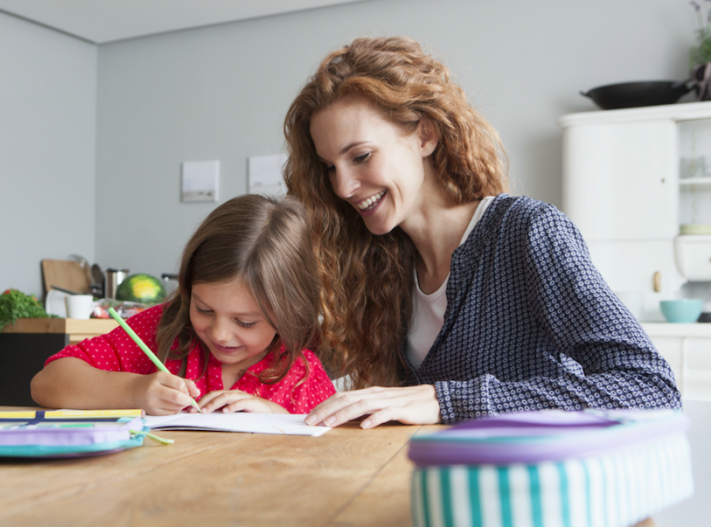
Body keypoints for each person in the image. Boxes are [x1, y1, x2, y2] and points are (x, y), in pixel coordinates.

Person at [283, 36, 681, 429]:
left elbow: (648, 385)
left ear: (425, 135)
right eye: (330, 167)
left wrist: (447, 399)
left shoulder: (527, 232)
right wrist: (281, 412)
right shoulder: (380, 262)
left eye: (361, 156)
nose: (343, 186)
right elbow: (320, 373)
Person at [31, 195, 336, 415]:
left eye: (244, 322)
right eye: (204, 309)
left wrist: (275, 419)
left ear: (289, 314)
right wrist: (134, 391)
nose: (219, 334)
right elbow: (47, 383)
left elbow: (331, 450)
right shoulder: (163, 329)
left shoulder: (303, 375)